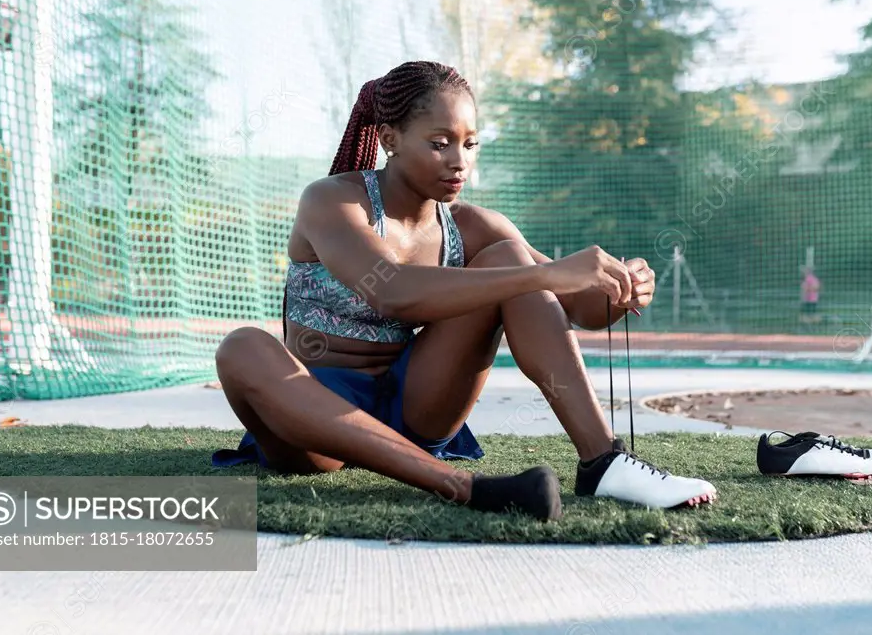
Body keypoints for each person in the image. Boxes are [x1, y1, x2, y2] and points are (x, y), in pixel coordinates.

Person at [211, 61, 716, 522]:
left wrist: (620, 288)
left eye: (470, 144)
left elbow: (581, 307)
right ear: (390, 138)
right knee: (242, 347)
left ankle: (603, 462)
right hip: (319, 426)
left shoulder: (473, 226)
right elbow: (391, 292)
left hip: (417, 404)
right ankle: (461, 486)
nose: (459, 161)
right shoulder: (332, 201)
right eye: (439, 143)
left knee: (509, 258)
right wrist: (547, 274)